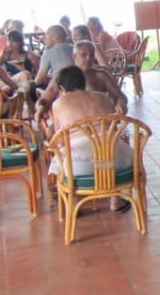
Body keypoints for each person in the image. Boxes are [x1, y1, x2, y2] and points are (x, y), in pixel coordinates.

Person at [47, 66, 132, 213]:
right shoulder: (102, 97)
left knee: (64, 154)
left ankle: (73, 203)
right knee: (106, 147)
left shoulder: (58, 104)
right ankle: (115, 201)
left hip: (80, 166)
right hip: (118, 161)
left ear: (61, 88)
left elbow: (60, 140)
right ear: (83, 82)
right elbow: (114, 125)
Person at [35, 40, 128, 123]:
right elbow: (43, 100)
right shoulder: (63, 76)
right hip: (70, 121)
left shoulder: (100, 75)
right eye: (84, 55)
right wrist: (40, 108)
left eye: (91, 55)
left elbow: (120, 96)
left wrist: (120, 103)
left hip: (98, 121)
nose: (88, 58)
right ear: (74, 56)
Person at [33, 25, 75, 90]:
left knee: (31, 87)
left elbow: (39, 80)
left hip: (61, 88)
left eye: (47, 35)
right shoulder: (74, 47)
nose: (45, 38)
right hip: (78, 84)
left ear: (55, 36)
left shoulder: (48, 51)